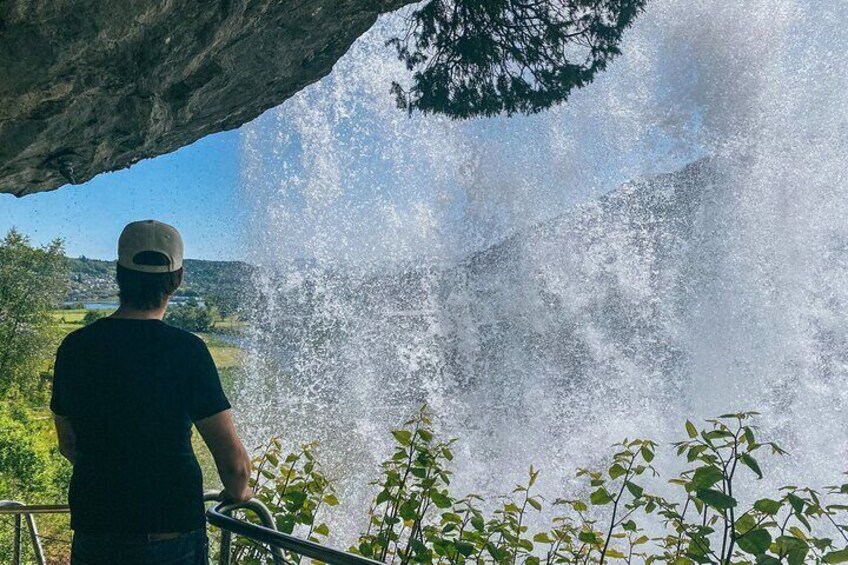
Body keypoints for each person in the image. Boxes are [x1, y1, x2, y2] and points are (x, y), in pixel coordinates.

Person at [51, 219, 253, 565]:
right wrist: (241, 492)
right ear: (178, 279)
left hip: (96, 530)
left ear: (118, 274)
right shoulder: (187, 351)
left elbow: (69, 444)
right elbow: (232, 461)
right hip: (171, 533)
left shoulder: (76, 347)